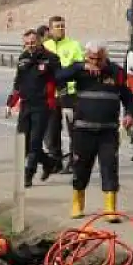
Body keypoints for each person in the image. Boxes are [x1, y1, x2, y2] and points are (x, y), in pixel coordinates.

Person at [55, 41, 133, 221]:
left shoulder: (115, 72)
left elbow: (128, 96)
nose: (95, 63)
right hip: (83, 130)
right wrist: (81, 67)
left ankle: (110, 208)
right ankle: (77, 203)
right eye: (91, 59)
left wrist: (130, 114)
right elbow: (58, 76)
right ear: (86, 57)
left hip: (108, 131)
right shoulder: (79, 70)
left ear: (105, 56)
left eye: (99, 59)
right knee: (81, 167)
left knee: (109, 167)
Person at [5, 28, 59, 187]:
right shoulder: (23, 58)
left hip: (43, 106)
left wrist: (67, 104)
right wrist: (10, 103)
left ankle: (28, 175)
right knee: (24, 142)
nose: (30, 46)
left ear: (39, 41)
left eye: (33, 42)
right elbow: (17, 83)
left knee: (35, 143)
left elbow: (61, 81)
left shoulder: (51, 58)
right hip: (26, 105)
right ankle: (49, 162)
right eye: (27, 43)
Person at [42, 16, 84, 173]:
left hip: (70, 95)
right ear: (50, 29)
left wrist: (64, 76)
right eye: (57, 26)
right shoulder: (44, 46)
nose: (61, 29)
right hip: (51, 95)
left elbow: (80, 66)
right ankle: (56, 161)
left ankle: (74, 162)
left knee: (73, 130)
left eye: (62, 26)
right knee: (51, 131)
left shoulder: (73, 45)